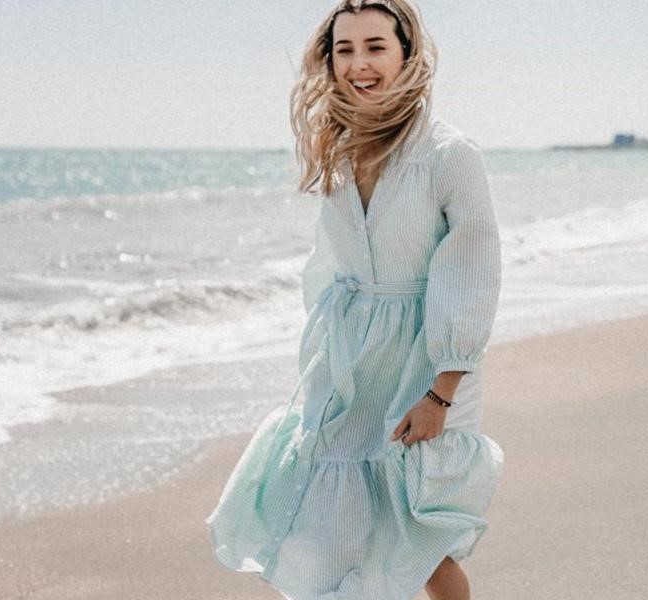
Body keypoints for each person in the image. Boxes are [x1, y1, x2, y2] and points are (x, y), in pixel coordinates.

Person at [205, 1, 503, 598]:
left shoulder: (450, 154)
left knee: (418, 530)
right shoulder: (338, 153)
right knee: (331, 523)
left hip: (426, 361)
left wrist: (440, 392)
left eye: (375, 47)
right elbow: (330, 269)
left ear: (406, 55)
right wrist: (321, 360)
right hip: (349, 363)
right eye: (345, 49)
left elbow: (471, 274)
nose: (360, 64)